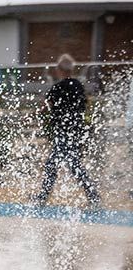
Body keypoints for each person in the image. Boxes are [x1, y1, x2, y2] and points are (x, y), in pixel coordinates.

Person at [33, 54, 100, 208]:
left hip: (63, 132)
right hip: (76, 131)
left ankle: (43, 197)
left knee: (57, 164)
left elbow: (45, 106)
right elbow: (84, 106)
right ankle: (92, 195)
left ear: (59, 70)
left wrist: (33, 115)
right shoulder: (78, 86)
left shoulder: (58, 87)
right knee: (72, 164)